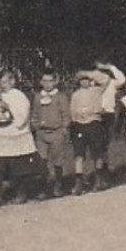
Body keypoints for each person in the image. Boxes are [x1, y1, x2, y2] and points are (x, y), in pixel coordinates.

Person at [0, 69, 37, 205]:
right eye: (1, 83)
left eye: (6, 82)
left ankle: (21, 193)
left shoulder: (19, 97)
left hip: (16, 133)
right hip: (2, 134)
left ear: (13, 81)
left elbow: (23, 115)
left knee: (18, 165)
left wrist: (9, 109)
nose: (4, 85)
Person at [69, 62, 121, 193]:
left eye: (87, 80)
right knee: (79, 155)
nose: (84, 82)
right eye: (81, 80)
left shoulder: (97, 91)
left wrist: (86, 73)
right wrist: (75, 123)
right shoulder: (75, 95)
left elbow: (106, 79)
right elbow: (72, 112)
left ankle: (98, 180)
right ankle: (78, 183)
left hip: (94, 123)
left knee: (96, 153)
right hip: (79, 126)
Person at [30, 67, 72, 197]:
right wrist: (36, 127)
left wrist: (64, 129)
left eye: (50, 81)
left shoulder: (60, 97)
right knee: (42, 160)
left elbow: (66, 115)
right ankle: (44, 187)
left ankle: (58, 185)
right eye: (44, 81)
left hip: (56, 133)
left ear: (55, 82)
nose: (47, 84)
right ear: (41, 82)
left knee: (57, 160)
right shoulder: (38, 97)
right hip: (42, 134)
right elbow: (35, 114)